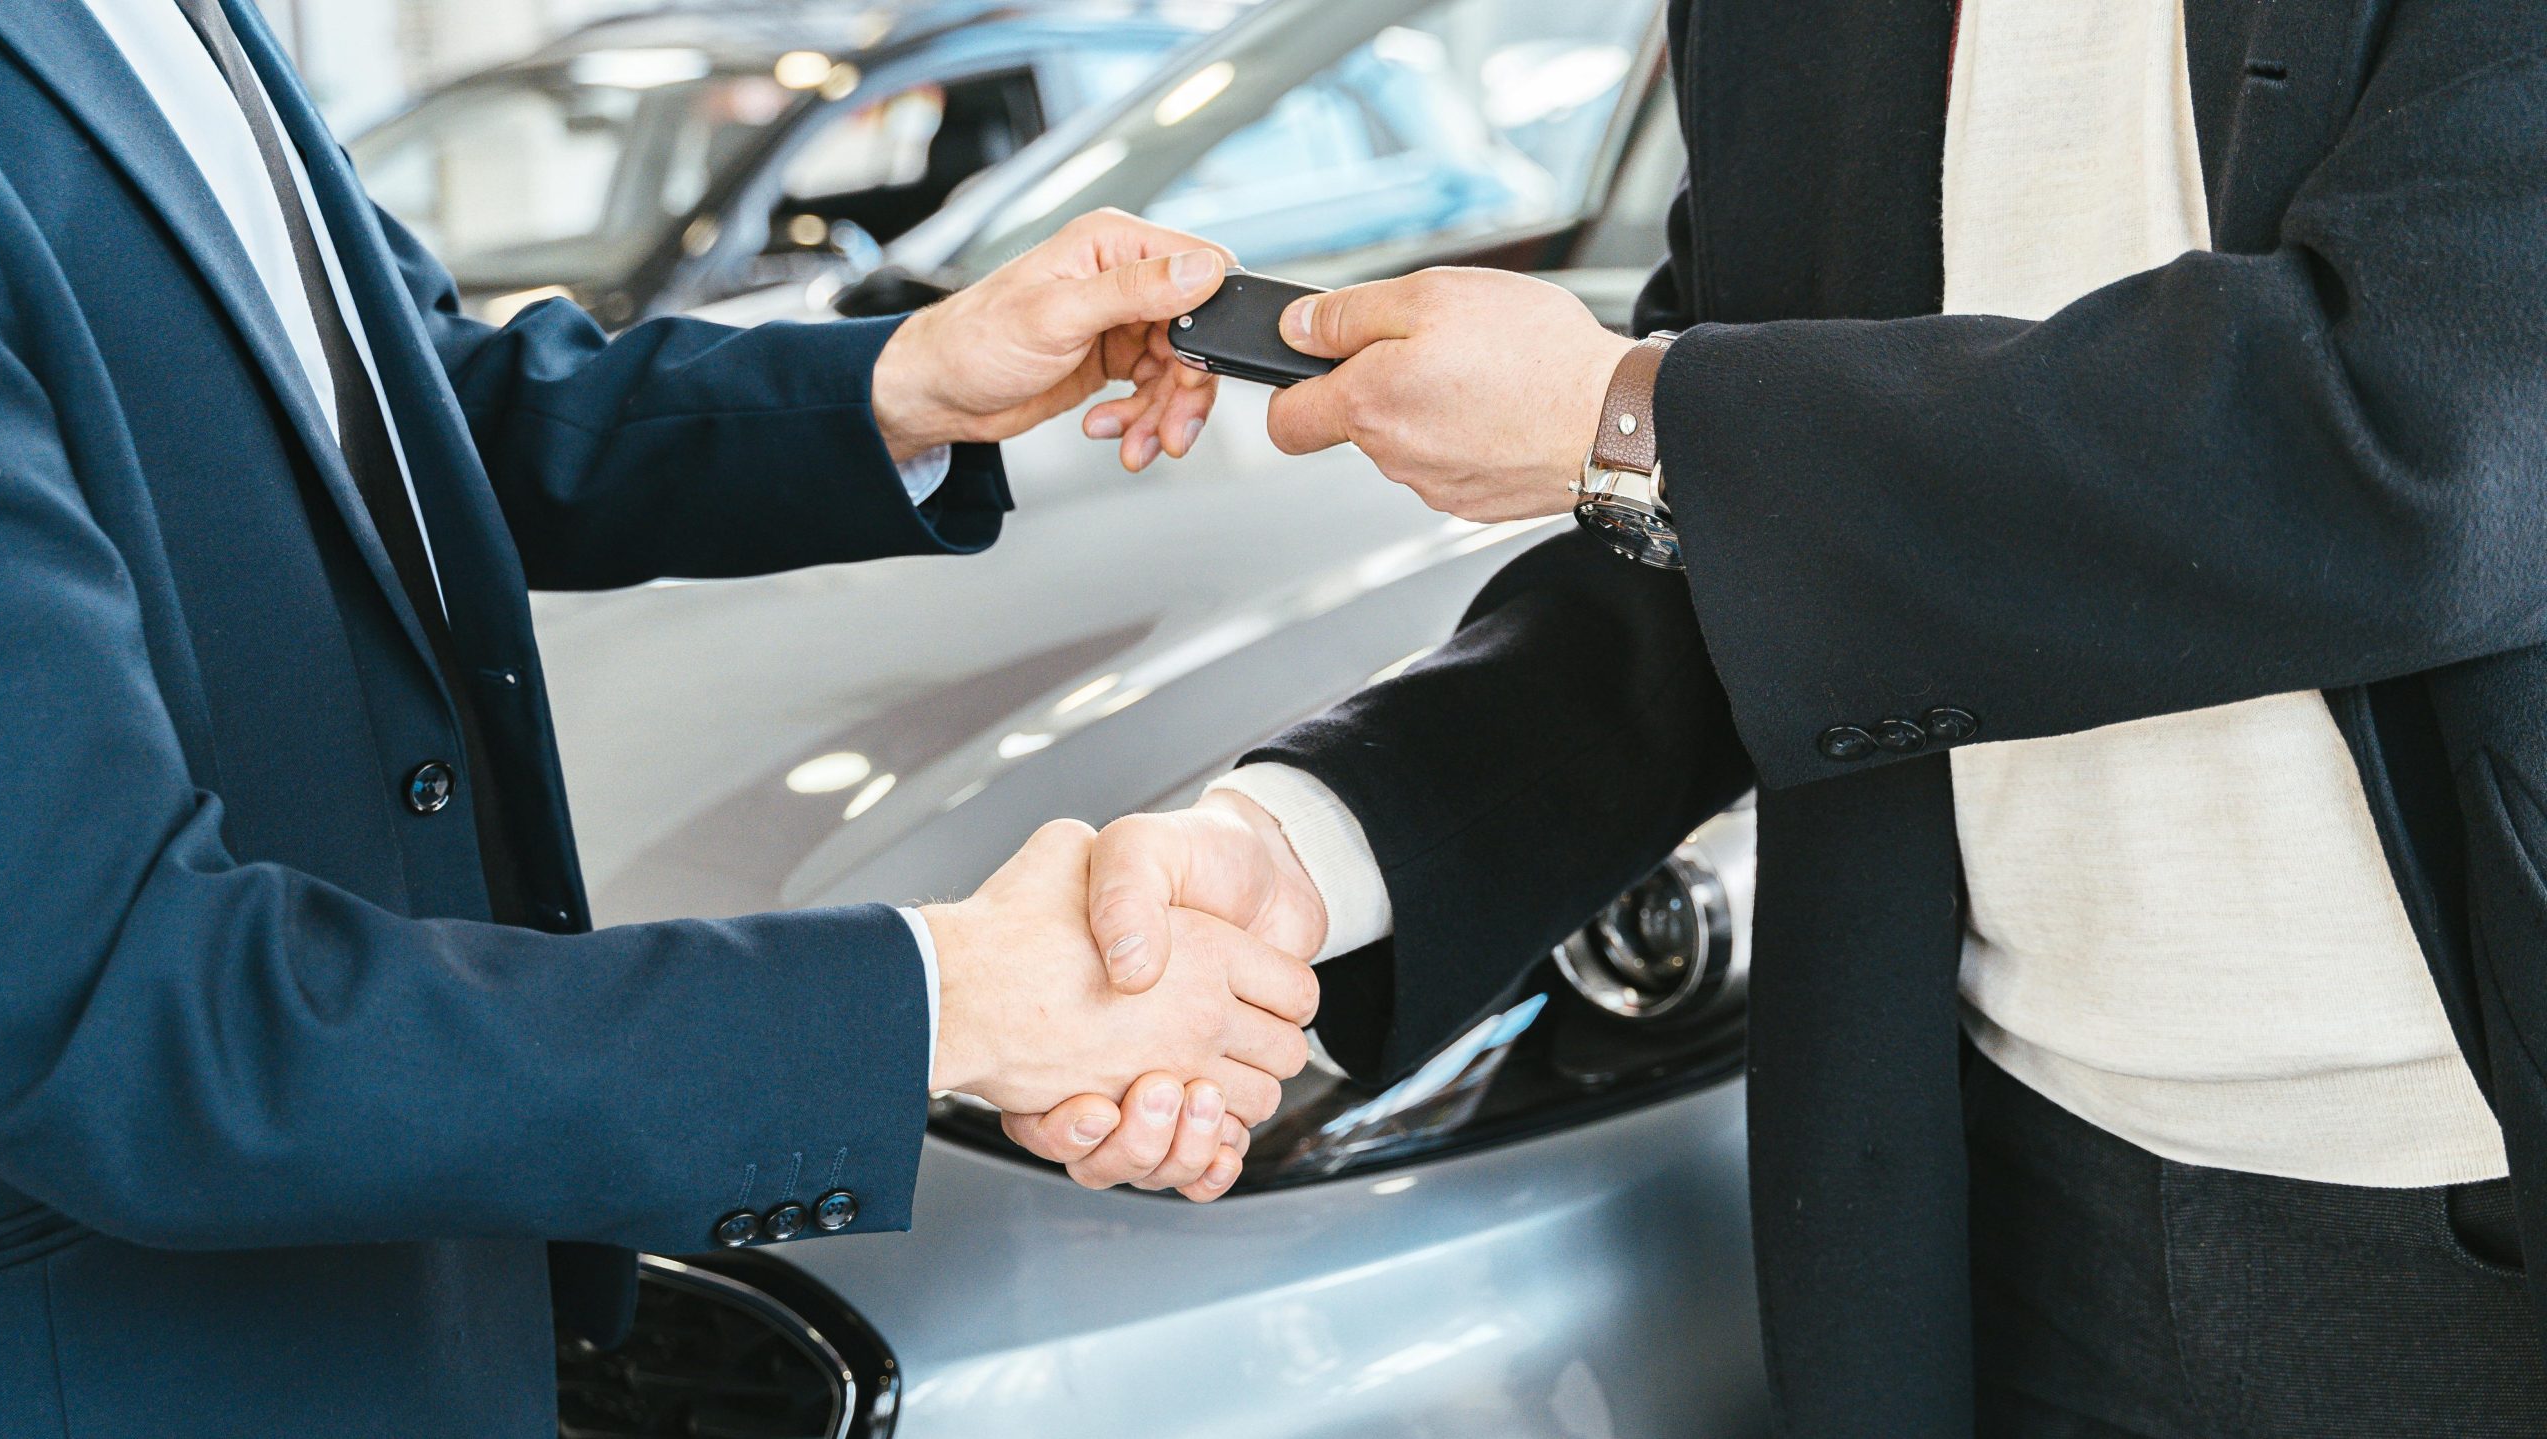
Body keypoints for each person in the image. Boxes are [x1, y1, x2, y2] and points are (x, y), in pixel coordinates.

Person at [1007, 0, 2547, 1434]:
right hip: (1991, 1186)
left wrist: (1636, 417)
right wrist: (1305, 850)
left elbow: (2439, 438)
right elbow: (1729, 550)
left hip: (2469, 1201)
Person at [0, 0, 1309, 1433]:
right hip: (133, 1362)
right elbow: (116, 1005)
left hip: (410, 1285)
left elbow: (407, 407)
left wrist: (904, 379)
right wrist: (947, 999)